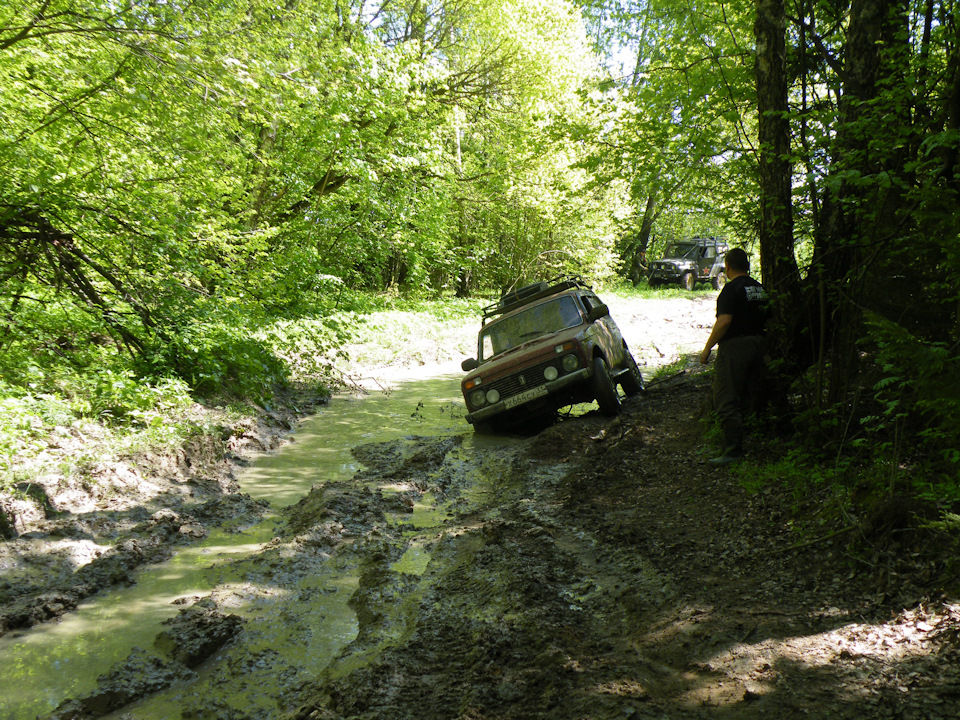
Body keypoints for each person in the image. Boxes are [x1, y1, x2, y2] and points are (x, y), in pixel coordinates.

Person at [699, 248, 768, 465]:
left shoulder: (731, 290)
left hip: (735, 347)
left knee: (726, 397)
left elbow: (725, 321)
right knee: (748, 393)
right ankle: (749, 441)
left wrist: (708, 347)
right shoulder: (759, 289)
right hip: (760, 344)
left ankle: (733, 451)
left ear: (727, 267)